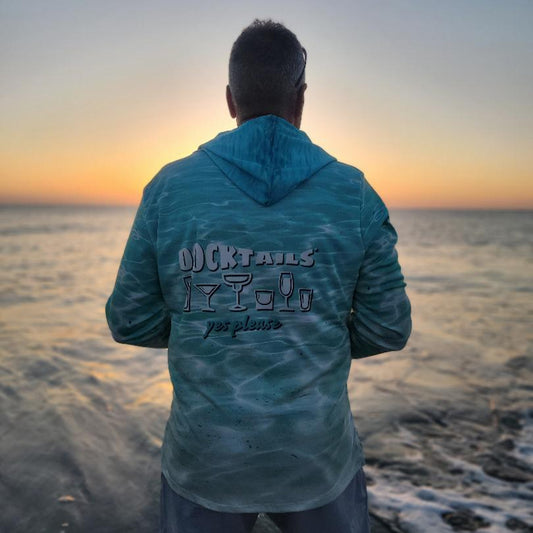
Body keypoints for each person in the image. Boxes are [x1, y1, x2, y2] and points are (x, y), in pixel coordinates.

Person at [106, 19, 412, 533]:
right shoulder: (352, 192)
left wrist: (210, 328)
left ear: (230, 98)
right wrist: (309, 334)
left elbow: (130, 321)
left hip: (207, 461)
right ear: (302, 96)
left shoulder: (169, 188)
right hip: (316, 459)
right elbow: (388, 327)